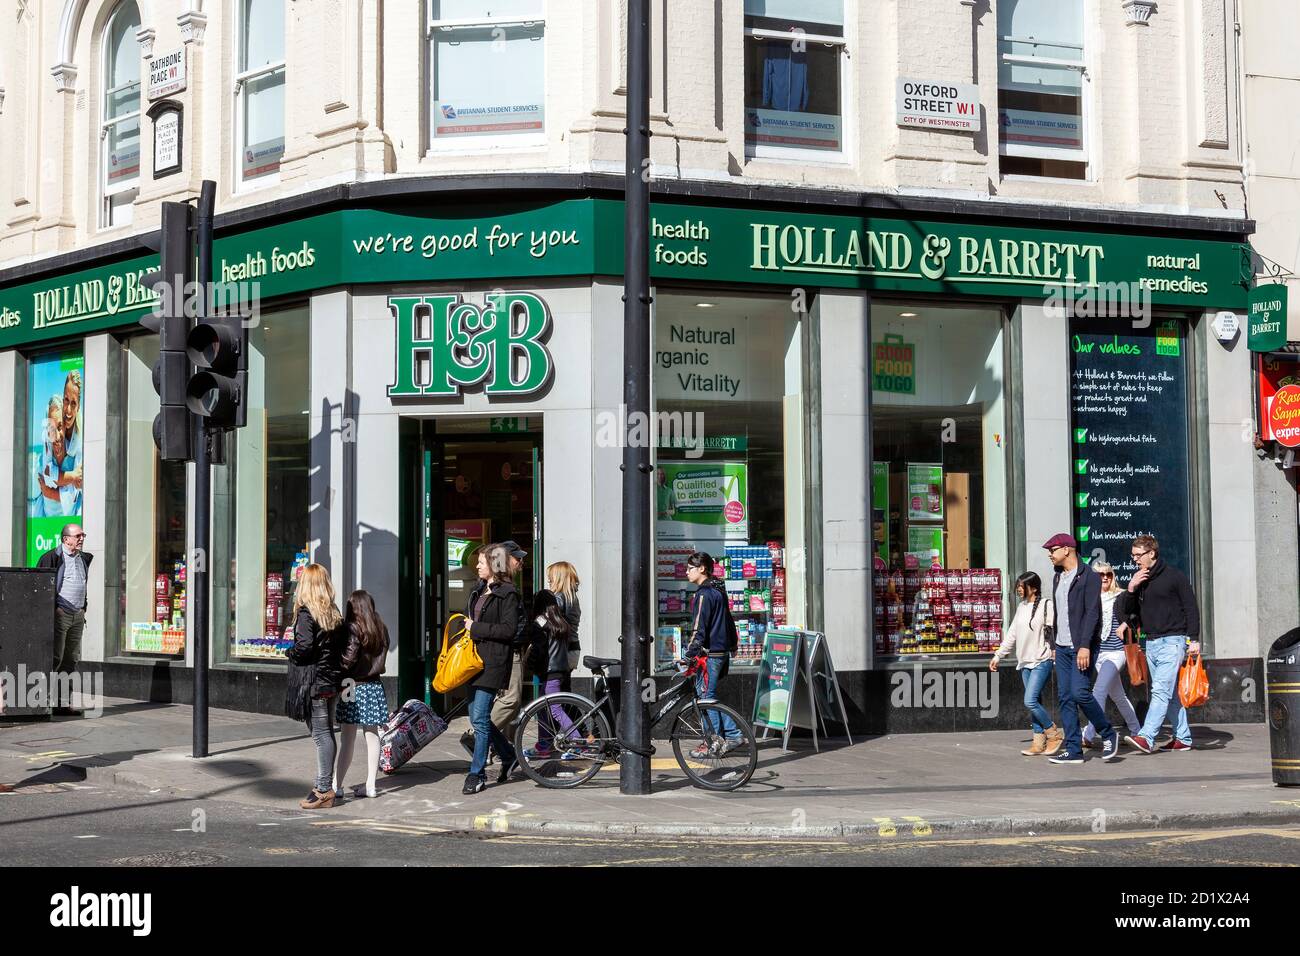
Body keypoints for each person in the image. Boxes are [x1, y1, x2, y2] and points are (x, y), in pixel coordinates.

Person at [1041, 534, 1121, 765]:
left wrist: (1084, 646)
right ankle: (1074, 750)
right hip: (1062, 647)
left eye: (1053, 550)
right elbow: (1059, 614)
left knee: (1080, 693)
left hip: (1081, 646)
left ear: (1067, 549)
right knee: (1065, 697)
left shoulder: (1090, 577)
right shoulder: (1058, 576)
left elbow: (1092, 613)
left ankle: (1108, 733)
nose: (1050, 554)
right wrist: (1054, 644)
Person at [1121, 534, 1202, 754]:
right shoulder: (1140, 580)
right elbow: (1128, 611)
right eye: (1133, 556)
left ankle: (1146, 737)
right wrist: (1131, 588)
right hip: (1151, 643)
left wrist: (1194, 639)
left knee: (1159, 690)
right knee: (1169, 693)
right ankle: (1183, 738)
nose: (1135, 560)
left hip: (1173, 641)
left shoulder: (1175, 577)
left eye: (1138, 555)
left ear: (1152, 553)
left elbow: (1191, 608)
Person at [284, 564, 346, 810]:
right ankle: (324, 786)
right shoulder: (333, 612)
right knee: (327, 732)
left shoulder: (306, 613)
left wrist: (289, 652)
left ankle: (323, 789)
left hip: (314, 682)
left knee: (321, 735)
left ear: (305, 585)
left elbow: (304, 648)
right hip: (331, 680)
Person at [463, 544, 522, 794]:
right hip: (472, 662)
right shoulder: (477, 591)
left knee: (479, 718)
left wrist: (474, 628)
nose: (477, 566)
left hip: (494, 662)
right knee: (479, 718)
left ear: (495, 565)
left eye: (481, 562)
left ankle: (476, 774)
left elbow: (509, 630)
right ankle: (508, 755)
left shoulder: (508, 594)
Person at [990, 571, 1061, 756]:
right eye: (1018, 586)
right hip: (1024, 662)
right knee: (1035, 701)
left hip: (1041, 660)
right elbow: (1012, 634)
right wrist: (998, 656)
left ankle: (1053, 733)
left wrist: (1055, 651)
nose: (1019, 589)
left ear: (1034, 588)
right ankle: (1038, 742)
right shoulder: (1021, 607)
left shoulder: (1046, 605)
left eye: (1023, 586)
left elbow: (1053, 631)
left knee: (1030, 700)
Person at [683, 550, 743, 756]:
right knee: (707, 696)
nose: (686, 572)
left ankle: (715, 741)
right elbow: (729, 620)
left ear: (702, 569)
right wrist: (733, 645)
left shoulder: (703, 594)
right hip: (721, 652)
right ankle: (731, 735)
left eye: (690, 568)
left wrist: (689, 654)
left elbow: (699, 629)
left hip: (710, 655)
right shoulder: (718, 590)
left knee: (705, 698)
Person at [333, 590, 390, 800]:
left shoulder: (353, 628)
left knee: (347, 738)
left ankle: (337, 786)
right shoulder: (380, 627)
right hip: (374, 685)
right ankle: (371, 785)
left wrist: (334, 670)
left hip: (351, 686)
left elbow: (347, 660)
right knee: (372, 735)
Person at [1081, 562, 1141, 749]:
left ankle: (1089, 734)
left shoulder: (1120, 596)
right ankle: (1137, 731)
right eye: (1101, 575)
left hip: (1116, 652)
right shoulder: (1090, 599)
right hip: (1097, 653)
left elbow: (1137, 613)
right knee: (1118, 696)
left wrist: (1125, 624)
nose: (1105, 578)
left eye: (1108, 574)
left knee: (1098, 692)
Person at [36, 523, 94, 712]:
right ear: (65, 539)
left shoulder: (83, 558)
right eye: (78, 535)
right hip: (60, 615)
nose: (82, 538)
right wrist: (54, 610)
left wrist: (83, 608)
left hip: (78, 616)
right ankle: (42, 702)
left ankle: (62, 703)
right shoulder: (51, 558)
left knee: (70, 660)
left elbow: (82, 585)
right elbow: (41, 588)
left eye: (83, 535)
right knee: (55, 658)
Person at [522, 588, 578, 760]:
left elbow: (538, 649)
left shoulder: (540, 623)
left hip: (549, 673)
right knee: (542, 710)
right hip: (561, 671)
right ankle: (544, 746)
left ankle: (578, 742)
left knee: (554, 710)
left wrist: (529, 664)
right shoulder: (561, 622)